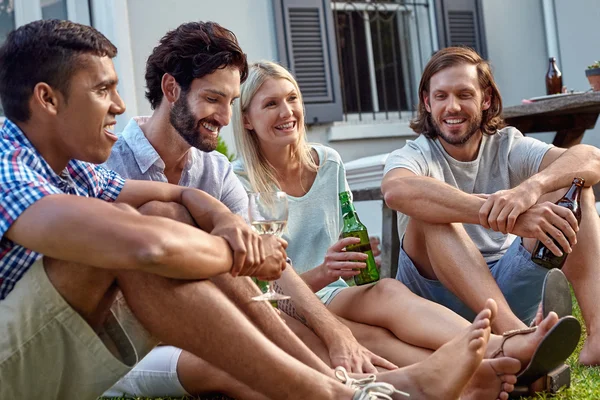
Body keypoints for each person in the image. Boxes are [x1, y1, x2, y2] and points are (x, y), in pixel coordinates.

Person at [0, 18, 490, 400]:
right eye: (103, 90)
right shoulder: (9, 163)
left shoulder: (80, 168)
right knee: (141, 233)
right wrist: (240, 252)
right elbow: (149, 247)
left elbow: (183, 208)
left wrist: (216, 217)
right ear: (47, 99)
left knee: (163, 216)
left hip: (74, 342)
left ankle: (381, 381)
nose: (119, 105)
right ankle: (338, 392)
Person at [229, 59, 581, 396]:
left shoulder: (327, 163)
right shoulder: (239, 183)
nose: (287, 112)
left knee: (387, 292)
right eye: (271, 104)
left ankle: (500, 352)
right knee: (374, 335)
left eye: (292, 99)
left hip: (335, 293)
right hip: (289, 302)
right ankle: (494, 362)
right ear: (247, 120)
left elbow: (344, 246)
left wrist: (353, 260)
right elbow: (262, 287)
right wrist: (323, 271)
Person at [381, 46, 600, 366]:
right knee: (430, 212)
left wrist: (530, 189)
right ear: (427, 103)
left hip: (505, 289)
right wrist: (510, 220)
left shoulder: (507, 144)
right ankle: (516, 337)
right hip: (432, 303)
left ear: (485, 99)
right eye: (440, 96)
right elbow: (396, 190)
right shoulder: (416, 154)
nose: (452, 106)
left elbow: (590, 159)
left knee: (575, 188)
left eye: (464, 94)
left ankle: (597, 335)